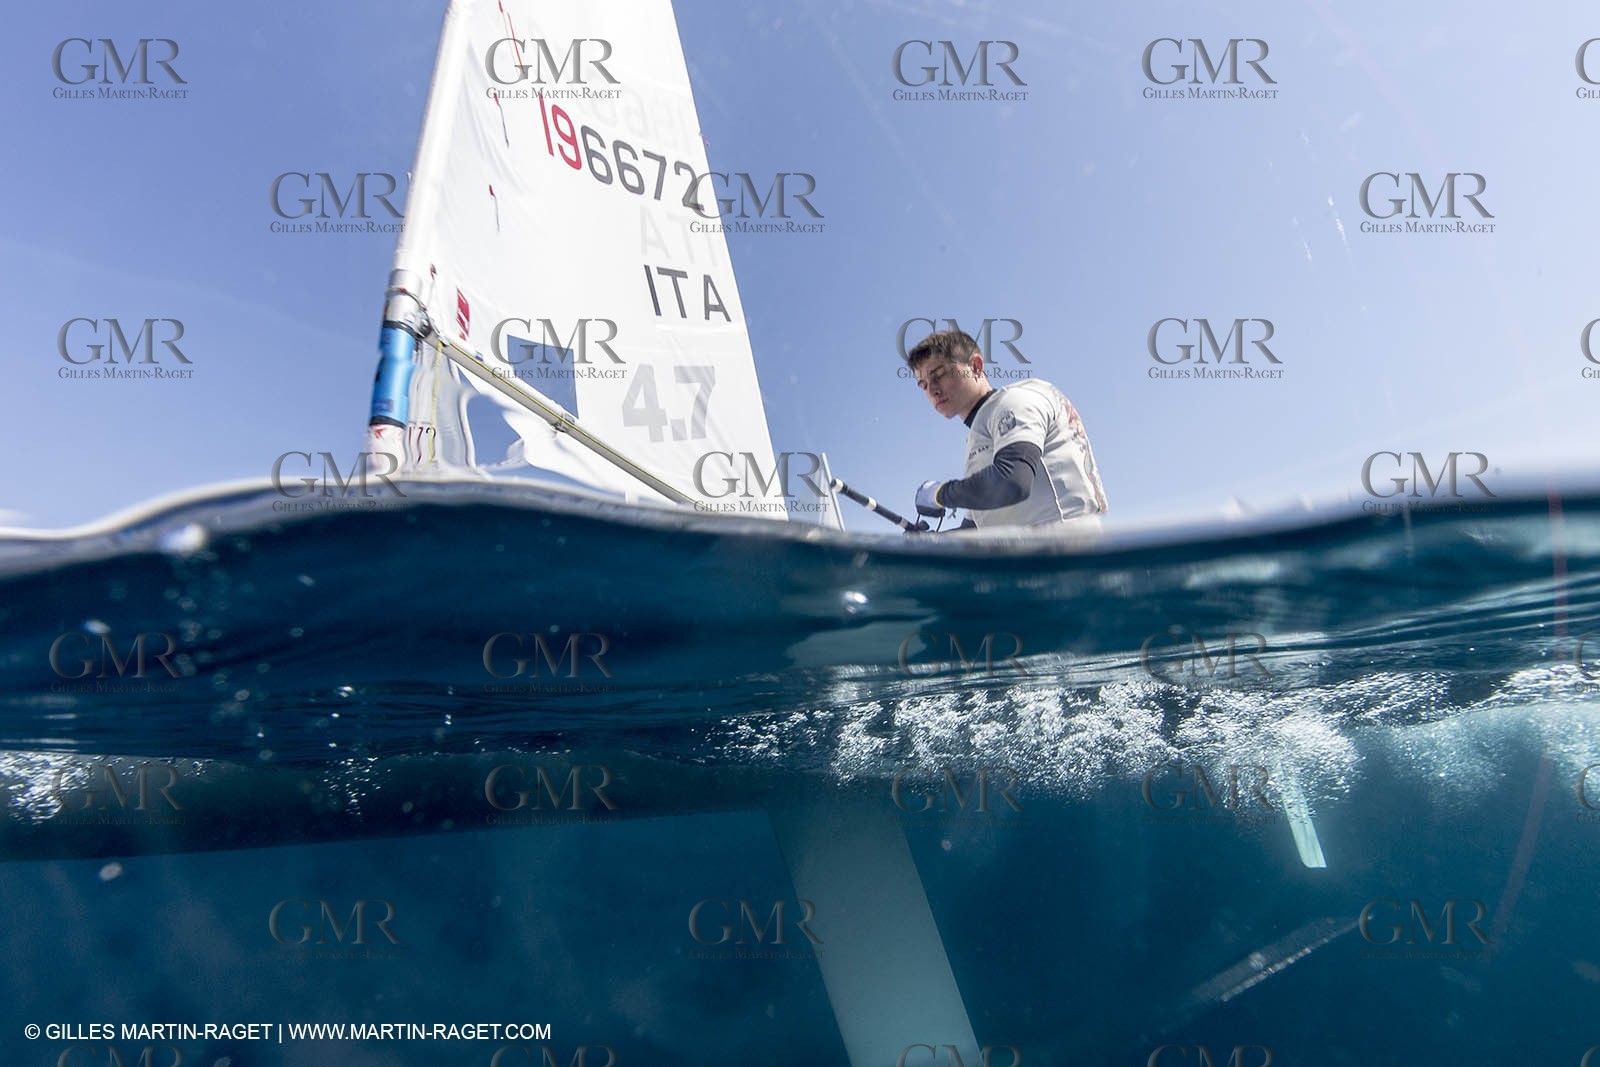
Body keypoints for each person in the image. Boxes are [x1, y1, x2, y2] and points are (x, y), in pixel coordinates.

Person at [907, 329, 1107, 529]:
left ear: (975, 366)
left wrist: (939, 494)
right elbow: (973, 531)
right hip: (1031, 556)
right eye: (923, 385)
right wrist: (931, 543)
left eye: (939, 374)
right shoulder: (979, 441)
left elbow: (1012, 482)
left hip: (1067, 554)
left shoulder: (1013, 401)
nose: (933, 389)